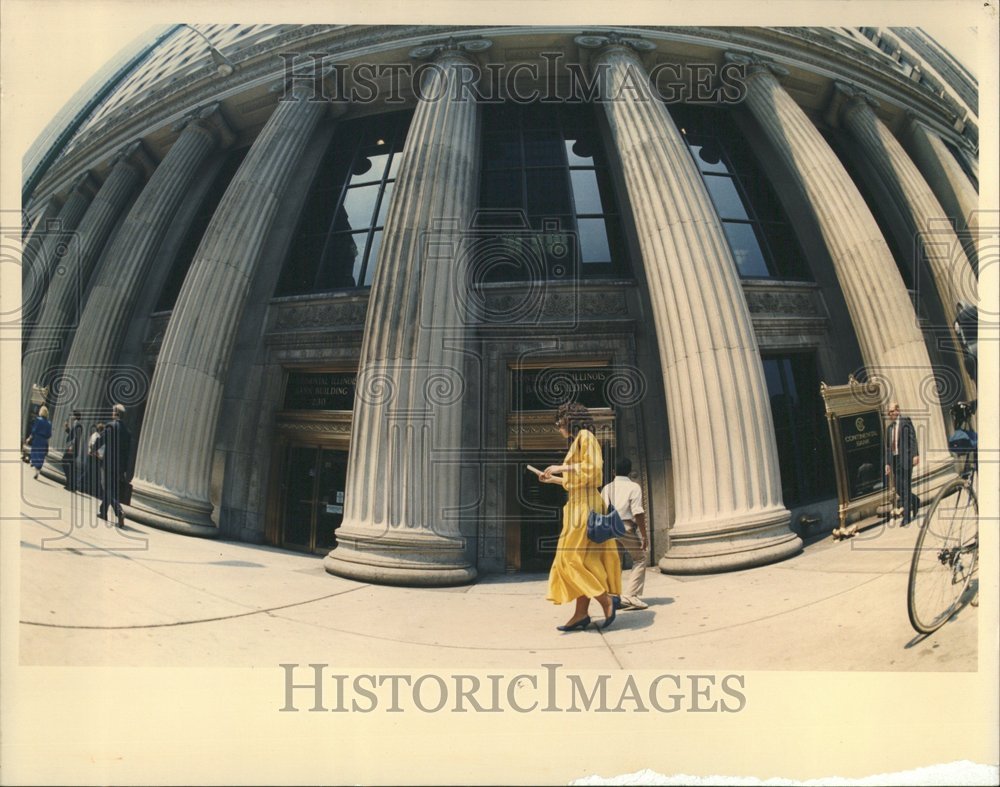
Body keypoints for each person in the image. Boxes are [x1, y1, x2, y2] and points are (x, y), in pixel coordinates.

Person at [540, 402, 622, 631]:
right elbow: (576, 481)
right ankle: (580, 614)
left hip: (584, 507)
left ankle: (606, 600)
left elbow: (593, 470)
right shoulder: (578, 441)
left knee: (569, 559)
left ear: (570, 420)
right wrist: (553, 479)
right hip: (578, 504)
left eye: (559, 422)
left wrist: (560, 468)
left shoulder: (585, 436)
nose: (559, 428)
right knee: (584, 560)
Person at [601, 457, 649, 611]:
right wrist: (644, 535)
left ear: (614, 472)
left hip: (609, 528)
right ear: (629, 471)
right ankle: (631, 595)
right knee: (640, 558)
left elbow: (601, 510)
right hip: (625, 526)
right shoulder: (634, 487)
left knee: (615, 563)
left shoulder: (607, 488)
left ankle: (615, 597)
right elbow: (638, 513)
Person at [884, 401, 919, 527]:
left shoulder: (905, 422)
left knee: (905, 486)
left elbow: (913, 438)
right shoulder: (889, 429)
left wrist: (915, 454)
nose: (890, 414)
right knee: (899, 488)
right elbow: (888, 448)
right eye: (889, 412)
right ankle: (915, 501)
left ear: (898, 410)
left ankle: (906, 517)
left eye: (892, 411)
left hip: (906, 458)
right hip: (895, 461)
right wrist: (887, 464)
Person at [97, 404, 131, 528]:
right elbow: (127, 453)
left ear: (115, 413)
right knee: (109, 488)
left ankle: (119, 511)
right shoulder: (127, 432)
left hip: (108, 463)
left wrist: (93, 448)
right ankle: (103, 512)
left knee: (106, 487)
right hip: (119, 467)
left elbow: (101, 440)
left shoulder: (111, 426)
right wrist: (125, 470)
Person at [26, 405, 53, 480]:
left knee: (34, 454)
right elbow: (49, 434)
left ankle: (33, 464)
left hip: (37, 440)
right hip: (44, 441)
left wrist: (29, 438)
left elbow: (34, 430)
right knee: (40, 457)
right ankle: (37, 472)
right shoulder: (49, 423)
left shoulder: (38, 419)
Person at [62, 409, 84, 491]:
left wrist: (71, 446)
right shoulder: (76, 424)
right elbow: (72, 435)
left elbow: (76, 438)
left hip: (72, 449)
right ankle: (70, 485)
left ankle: (70, 483)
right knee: (70, 466)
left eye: (72, 415)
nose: (71, 417)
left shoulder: (78, 425)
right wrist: (67, 428)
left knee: (64, 461)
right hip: (73, 448)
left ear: (76, 417)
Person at [86, 423, 105, 498]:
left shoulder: (97, 435)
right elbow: (92, 445)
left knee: (92, 473)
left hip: (95, 457)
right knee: (93, 473)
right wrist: (96, 453)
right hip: (94, 457)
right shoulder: (96, 435)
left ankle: (95, 491)